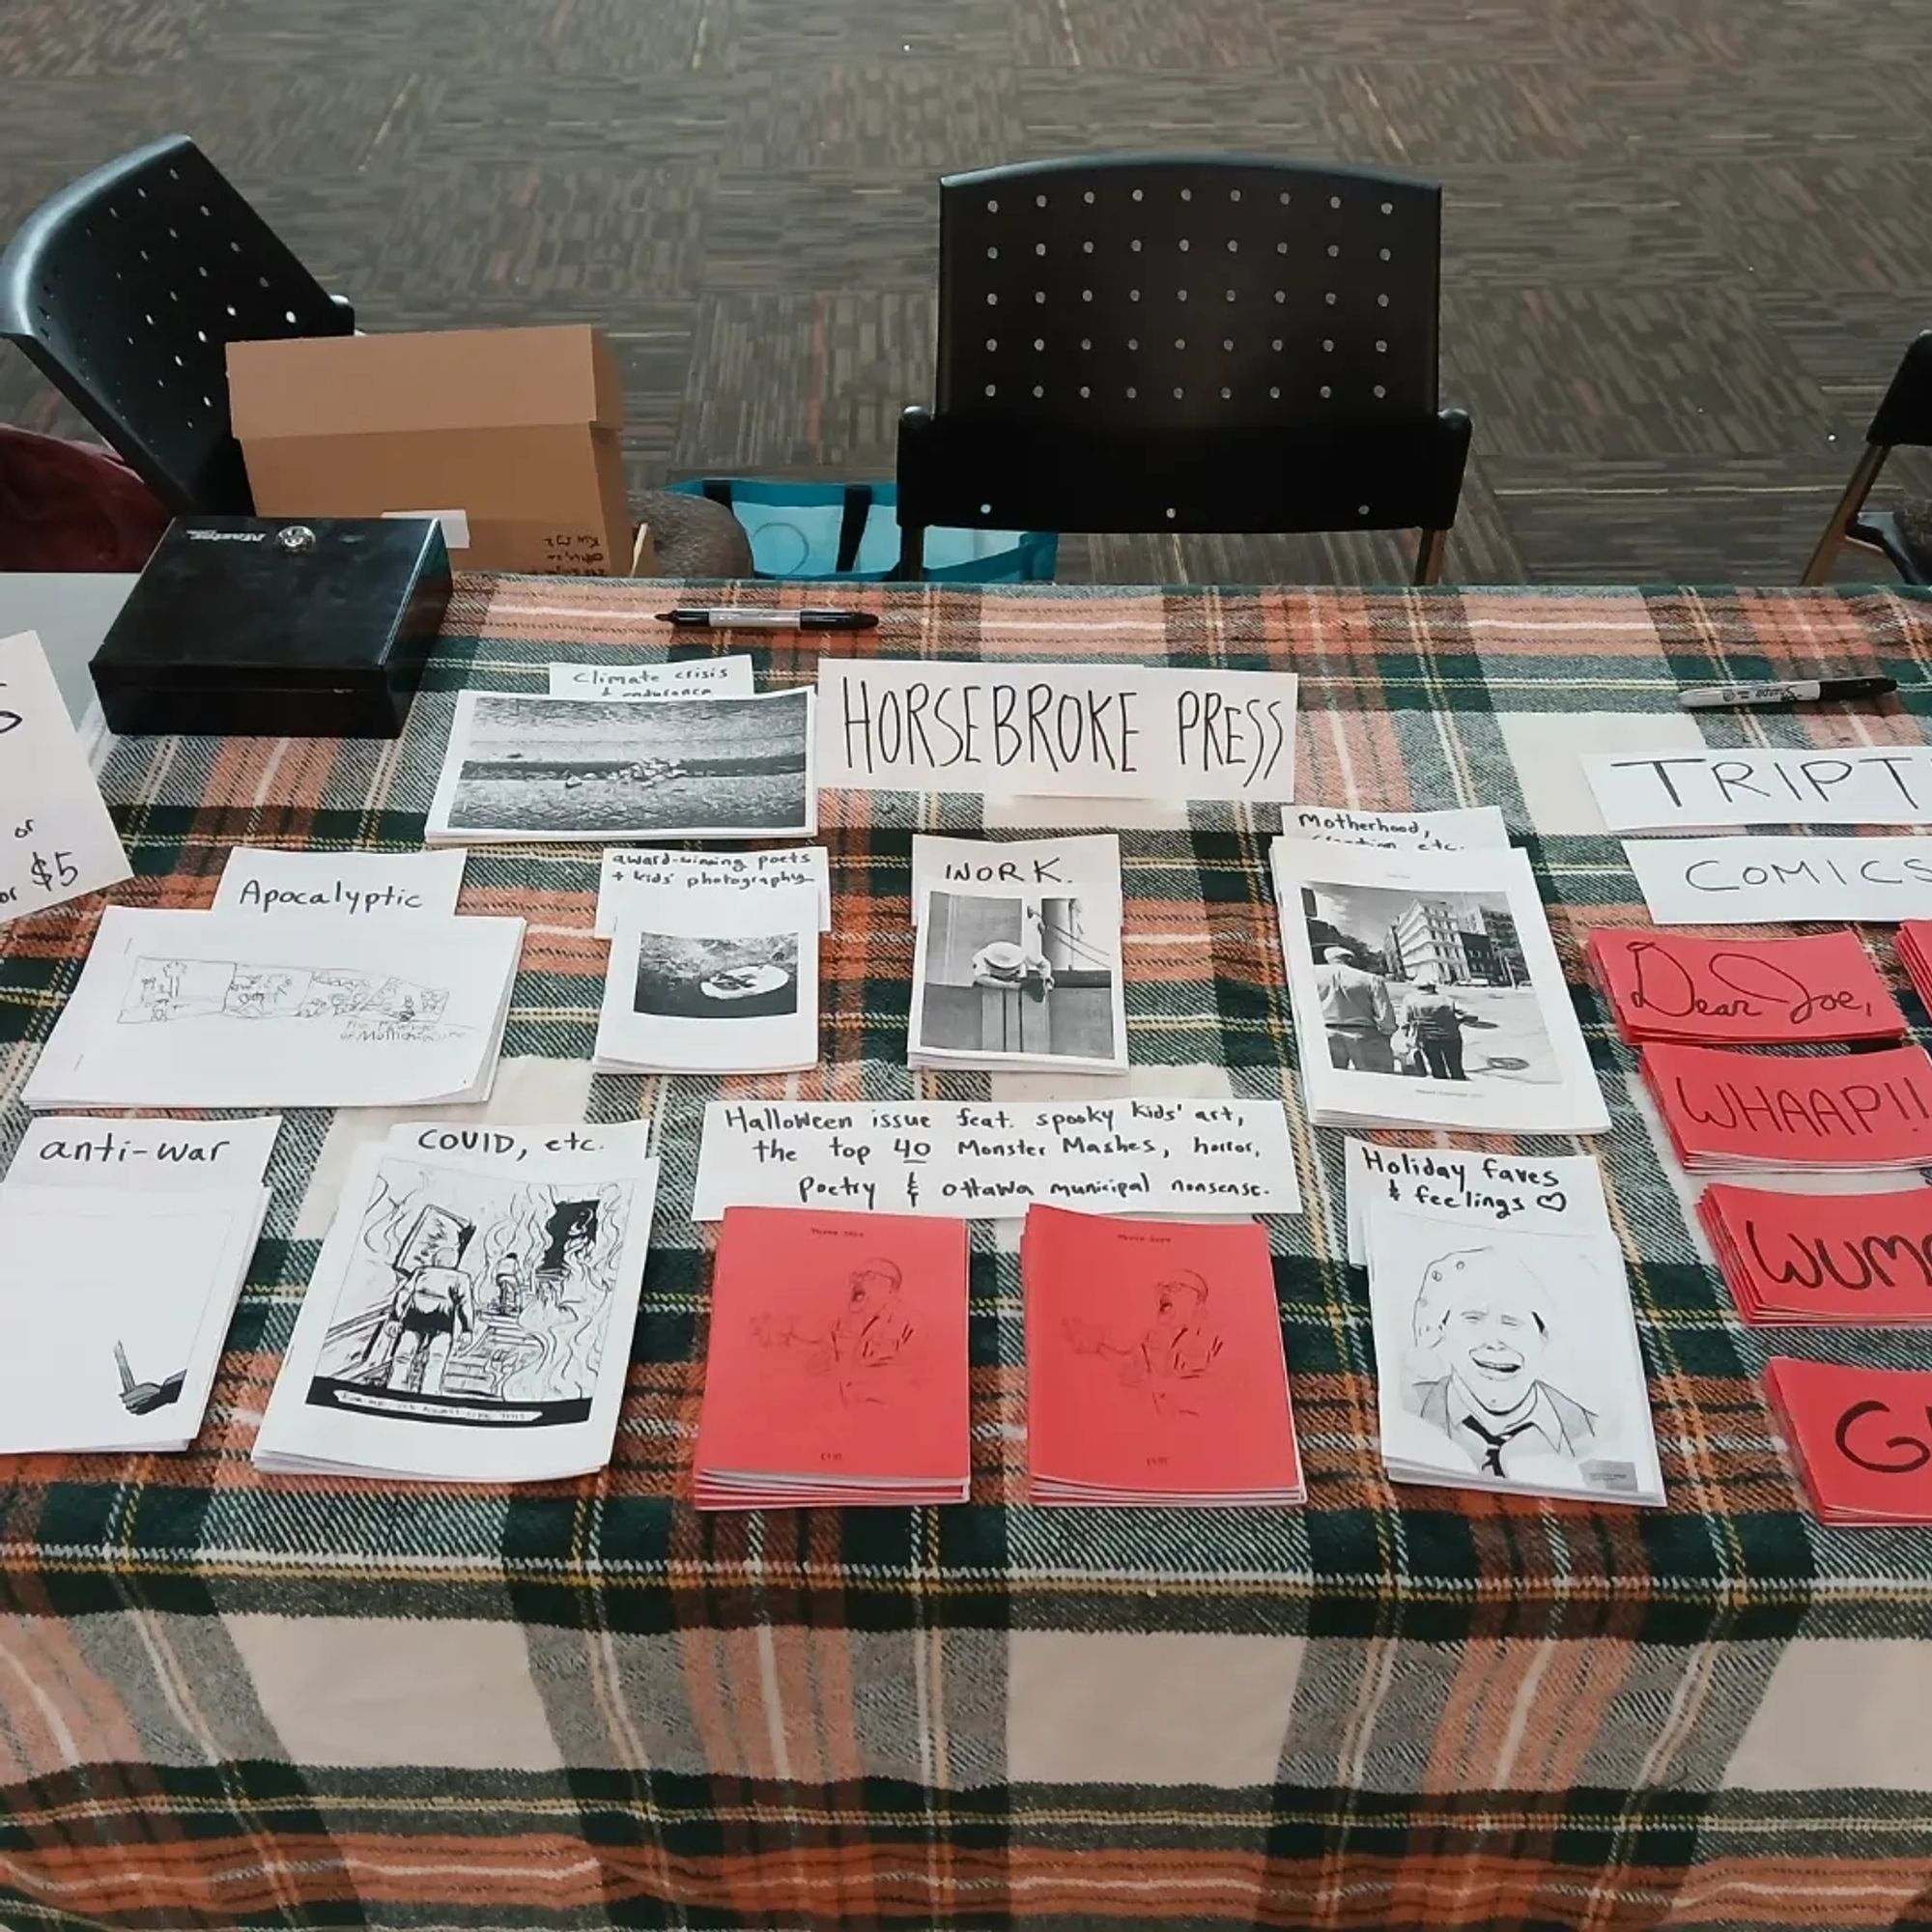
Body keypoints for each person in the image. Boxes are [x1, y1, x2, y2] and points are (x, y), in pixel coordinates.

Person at [1405, 1246, 1596, 1478]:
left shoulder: (1594, 1432)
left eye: (1511, 1322)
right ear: (1442, 1327)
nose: (1494, 1341)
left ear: (1542, 1337)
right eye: (1473, 1318)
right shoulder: (1405, 1412)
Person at [1314, 944, 1396, 1072]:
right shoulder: (1370, 978)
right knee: (1376, 1080)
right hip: (1363, 1034)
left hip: (1325, 1032)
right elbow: (1384, 1013)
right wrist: (1386, 1033)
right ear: (1350, 959)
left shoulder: (1312, 974)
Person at [1400, 978, 1481, 1080]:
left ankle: (1444, 1091)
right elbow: (1472, 1016)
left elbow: (1405, 1022)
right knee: (1456, 1069)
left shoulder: (1410, 1000)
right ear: (1433, 988)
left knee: (1437, 1069)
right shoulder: (1446, 999)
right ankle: (1462, 1089)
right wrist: (1458, 1021)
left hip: (1428, 1039)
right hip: (1452, 1037)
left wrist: (1409, 1035)